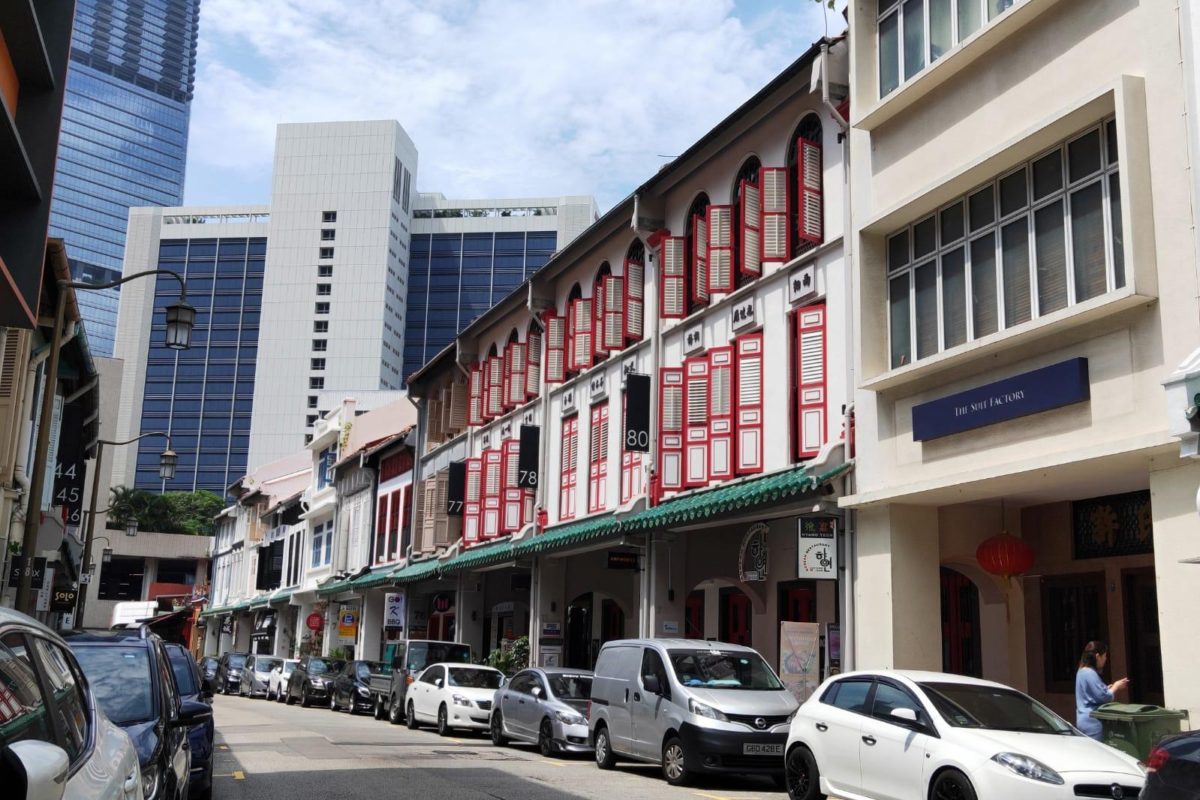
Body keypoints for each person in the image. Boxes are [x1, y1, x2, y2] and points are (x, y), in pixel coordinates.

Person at [1075, 640, 1129, 740]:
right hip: (1092, 722)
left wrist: (1107, 688)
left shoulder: (1081, 671)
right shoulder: (1089, 673)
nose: (1105, 659)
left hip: (1083, 719)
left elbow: (1092, 693)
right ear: (1097, 656)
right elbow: (1104, 696)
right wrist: (1116, 687)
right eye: (1104, 656)